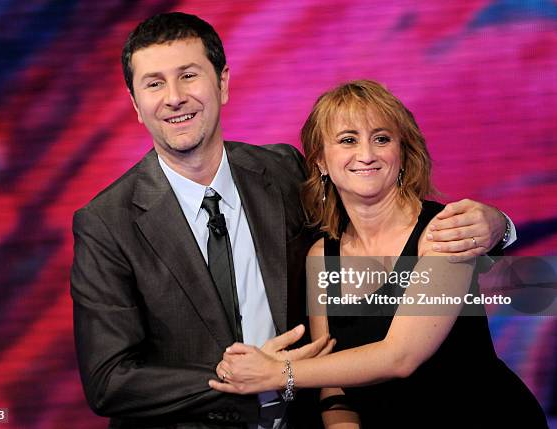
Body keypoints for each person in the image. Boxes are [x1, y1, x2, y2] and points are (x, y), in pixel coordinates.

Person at [70, 12, 516, 428]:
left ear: (222, 83)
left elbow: (376, 203)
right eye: (154, 84)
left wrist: (499, 225)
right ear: (134, 101)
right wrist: (241, 375)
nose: (174, 98)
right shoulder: (106, 223)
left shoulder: (284, 171)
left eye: (189, 75)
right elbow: (109, 380)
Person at [209, 80, 547, 428]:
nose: (367, 154)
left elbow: (401, 356)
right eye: (348, 140)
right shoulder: (321, 256)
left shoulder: (442, 231)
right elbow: (333, 383)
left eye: (381, 138)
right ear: (322, 161)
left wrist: (277, 373)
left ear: (402, 154)